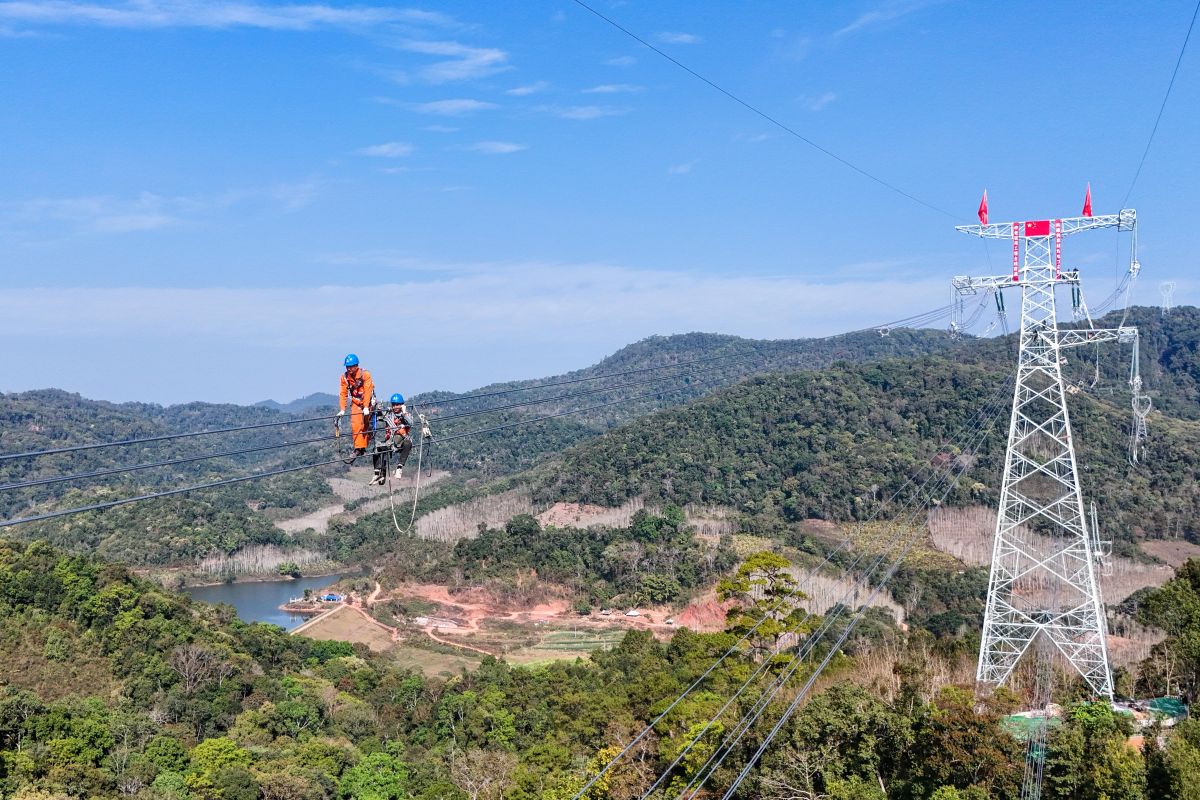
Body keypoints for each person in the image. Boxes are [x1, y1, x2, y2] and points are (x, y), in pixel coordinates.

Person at [338, 354, 375, 462]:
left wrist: (366, 406)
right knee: (356, 424)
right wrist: (342, 409)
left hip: (367, 402)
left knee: (366, 424)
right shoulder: (345, 378)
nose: (348, 369)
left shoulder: (365, 375)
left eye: (350, 366)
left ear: (356, 366)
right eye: (347, 367)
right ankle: (358, 448)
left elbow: (368, 391)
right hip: (356, 402)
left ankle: (363, 446)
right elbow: (343, 393)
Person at [371, 393, 414, 485]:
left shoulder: (406, 415)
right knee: (376, 448)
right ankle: (378, 472)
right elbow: (378, 414)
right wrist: (374, 405)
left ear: (402, 405)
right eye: (393, 405)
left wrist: (404, 413)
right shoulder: (388, 414)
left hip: (400, 442)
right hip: (389, 442)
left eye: (397, 404)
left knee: (408, 443)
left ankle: (399, 467)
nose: (395, 407)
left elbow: (410, 423)